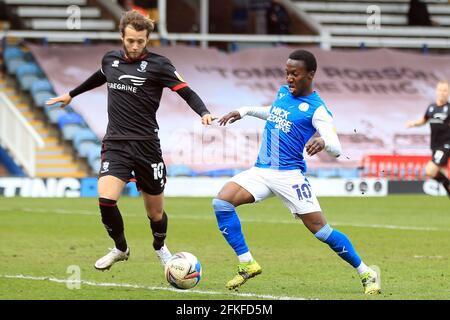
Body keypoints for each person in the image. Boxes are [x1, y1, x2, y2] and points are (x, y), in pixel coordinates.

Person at [46, 11, 215, 271]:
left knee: (155, 213)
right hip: (116, 143)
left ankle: (160, 247)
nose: (135, 46)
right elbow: (100, 75)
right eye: (130, 41)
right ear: (122, 37)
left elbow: (186, 92)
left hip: (147, 145)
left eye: (141, 41)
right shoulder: (110, 59)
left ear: (147, 39)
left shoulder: (160, 65)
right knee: (106, 199)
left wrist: (203, 112)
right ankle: (121, 248)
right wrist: (71, 94)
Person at [213, 49, 381, 295]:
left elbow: (336, 146)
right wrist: (245, 110)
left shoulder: (318, 109)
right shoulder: (283, 92)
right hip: (261, 171)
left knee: (322, 231)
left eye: (295, 74)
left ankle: (366, 272)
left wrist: (323, 142)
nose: (289, 78)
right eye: (287, 73)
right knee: (222, 203)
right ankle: (247, 263)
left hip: (289, 177)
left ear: (310, 75)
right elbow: (274, 112)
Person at [406, 80, 450, 197]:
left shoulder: (449, 109)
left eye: (445, 90)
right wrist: (414, 123)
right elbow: (424, 120)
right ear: (436, 91)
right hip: (435, 146)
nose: (442, 93)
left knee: (430, 170)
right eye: (440, 90)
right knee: (441, 172)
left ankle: (447, 185)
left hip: (446, 145)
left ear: (448, 92)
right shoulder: (431, 107)